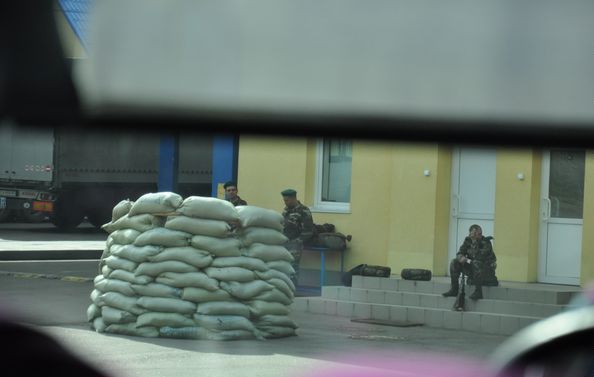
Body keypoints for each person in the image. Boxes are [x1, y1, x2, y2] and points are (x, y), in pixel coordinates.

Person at [442, 224, 497, 301]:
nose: (479, 236)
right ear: (470, 233)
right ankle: (454, 289)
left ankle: (478, 292)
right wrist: (461, 257)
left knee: (476, 263)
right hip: (474, 269)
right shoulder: (467, 241)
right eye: (476, 234)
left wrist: (474, 242)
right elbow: (459, 253)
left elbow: (478, 256)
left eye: (479, 233)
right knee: (454, 262)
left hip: (486, 271)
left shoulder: (486, 242)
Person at [281, 189, 314, 286]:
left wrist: (297, 241)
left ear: (293, 198)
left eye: (287, 200)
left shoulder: (304, 211)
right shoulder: (286, 210)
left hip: (296, 244)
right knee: (284, 266)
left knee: (293, 267)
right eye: (284, 200)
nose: (285, 202)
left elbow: (308, 230)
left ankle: (292, 288)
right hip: (285, 242)